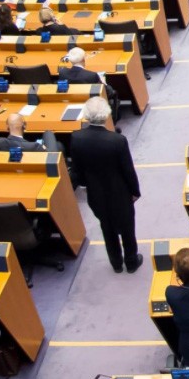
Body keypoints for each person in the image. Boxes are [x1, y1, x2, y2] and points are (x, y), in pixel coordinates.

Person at [71, 96, 143, 272]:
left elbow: (77, 169)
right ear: (106, 115)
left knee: (106, 228)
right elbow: (128, 170)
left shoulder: (76, 138)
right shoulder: (117, 141)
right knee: (127, 229)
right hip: (120, 193)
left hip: (96, 193)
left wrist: (85, 184)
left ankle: (116, 263)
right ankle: (131, 262)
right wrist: (135, 191)